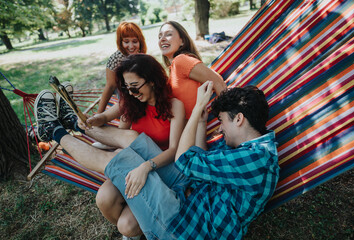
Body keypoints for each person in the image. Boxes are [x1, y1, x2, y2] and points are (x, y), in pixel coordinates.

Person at [35, 79, 279, 239]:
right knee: (134, 140)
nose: (221, 128)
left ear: (239, 119)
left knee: (122, 161)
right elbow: (201, 161)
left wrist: (195, 112)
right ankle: (77, 125)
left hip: (184, 226)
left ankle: (53, 131)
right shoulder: (251, 150)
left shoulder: (258, 159)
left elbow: (185, 160)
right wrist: (202, 122)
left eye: (223, 120)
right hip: (191, 192)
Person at [35, 54, 186, 239]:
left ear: (152, 81)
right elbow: (106, 118)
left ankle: (53, 131)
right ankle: (73, 122)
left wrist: (146, 166)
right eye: (126, 87)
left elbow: (174, 151)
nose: (131, 92)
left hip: (163, 168)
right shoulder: (132, 101)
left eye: (135, 86)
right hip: (136, 160)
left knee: (126, 226)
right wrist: (95, 119)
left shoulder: (174, 106)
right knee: (104, 198)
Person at [158, 21, 227, 119]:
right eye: (160, 36)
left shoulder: (181, 60)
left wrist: (227, 119)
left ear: (182, 41)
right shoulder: (173, 69)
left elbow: (218, 83)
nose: (162, 39)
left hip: (197, 129)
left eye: (168, 34)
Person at [97, 22, 147, 114]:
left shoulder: (142, 56)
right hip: (126, 101)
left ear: (140, 41)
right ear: (121, 42)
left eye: (135, 41)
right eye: (126, 42)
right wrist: (99, 114)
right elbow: (110, 86)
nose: (131, 46)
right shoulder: (116, 59)